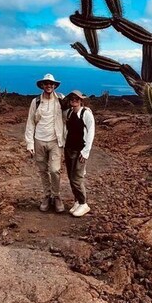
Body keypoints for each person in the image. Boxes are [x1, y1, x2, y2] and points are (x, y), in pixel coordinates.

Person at [25, 73, 67, 212]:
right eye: (46, 83)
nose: (49, 86)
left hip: (55, 140)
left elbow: (69, 116)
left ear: (54, 85)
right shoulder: (35, 101)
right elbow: (30, 122)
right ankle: (47, 195)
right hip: (39, 140)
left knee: (55, 170)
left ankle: (56, 196)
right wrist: (29, 144)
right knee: (43, 170)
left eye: (51, 84)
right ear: (42, 86)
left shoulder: (61, 99)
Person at [63, 90, 95, 218]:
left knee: (77, 178)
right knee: (71, 177)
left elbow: (91, 132)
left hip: (80, 150)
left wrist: (86, 152)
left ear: (81, 100)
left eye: (77, 98)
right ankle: (77, 201)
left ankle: (83, 203)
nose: (74, 100)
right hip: (69, 148)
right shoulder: (69, 113)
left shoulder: (86, 113)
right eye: (72, 98)